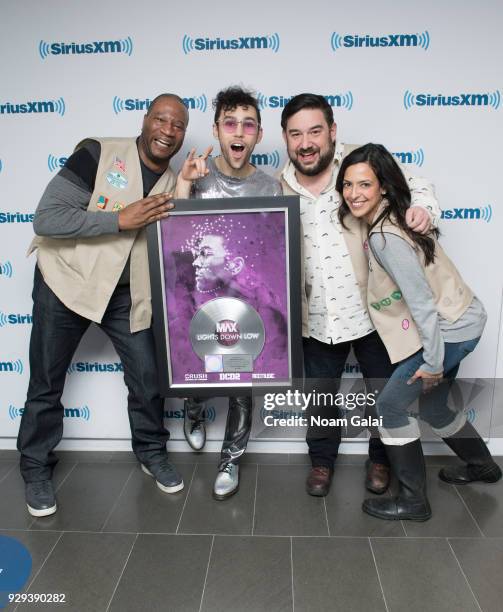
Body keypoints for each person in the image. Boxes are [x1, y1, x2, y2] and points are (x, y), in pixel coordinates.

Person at [17, 94, 189, 517]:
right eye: (161, 120)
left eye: (178, 125)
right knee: (46, 383)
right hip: (67, 282)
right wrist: (118, 219)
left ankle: (151, 451)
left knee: (148, 378)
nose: (167, 131)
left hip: (126, 293)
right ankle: (35, 467)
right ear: (145, 120)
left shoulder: (176, 182)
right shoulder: (98, 154)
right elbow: (47, 218)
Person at [279, 93, 441, 496]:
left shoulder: (359, 165)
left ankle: (380, 459)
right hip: (315, 317)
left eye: (315, 131)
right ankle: (321, 462)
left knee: (383, 394)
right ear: (285, 139)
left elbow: (417, 185)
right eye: (296, 134)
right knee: (319, 399)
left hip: (375, 312)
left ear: (332, 131)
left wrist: (422, 210)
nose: (306, 142)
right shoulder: (277, 186)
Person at [336, 142, 501, 521]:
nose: (354, 194)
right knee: (434, 406)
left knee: (391, 405)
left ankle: (413, 500)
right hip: (466, 319)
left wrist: (433, 362)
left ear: (382, 187)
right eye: (347, 185)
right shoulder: (395, 217)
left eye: (364, 185)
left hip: (451, 330)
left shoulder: (385, 236)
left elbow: (422, 303)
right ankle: (483, 465)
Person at [175, 86, 281, 500]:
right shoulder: (198, 175)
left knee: (241, 384)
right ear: (217, 129)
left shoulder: (270, 188)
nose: (239, 131)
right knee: (199, 373)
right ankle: (194, 409)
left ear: (258, 134)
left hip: (245, 304)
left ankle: (230, 460)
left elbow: (273, 251)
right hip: (200, 300)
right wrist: (184, 184)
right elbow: (176, 237)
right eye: (230, 123)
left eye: (248, 124)